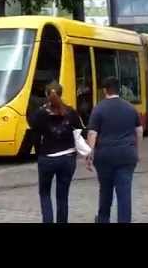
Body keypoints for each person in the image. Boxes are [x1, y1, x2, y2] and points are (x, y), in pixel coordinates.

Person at [86, 77, 143, 223]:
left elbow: (92, 133)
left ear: (105, 90)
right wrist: (137, 150)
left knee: (105, 191)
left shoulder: (98, 109)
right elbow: (139, 130)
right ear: (119, 90)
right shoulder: (131, 108)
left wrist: (89, 155)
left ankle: (103, 219)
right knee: (124, 193)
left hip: (105, 156)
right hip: (126, 155)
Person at [29, 81, 83, 223]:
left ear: (47, 95)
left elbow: (34, 133)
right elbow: (79, 132)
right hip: (68, 159)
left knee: (45, 193)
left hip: (47, 158)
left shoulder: (40, 113)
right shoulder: (71, 112)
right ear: (61, 94)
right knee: (62, 196)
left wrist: (39, 154)